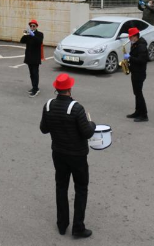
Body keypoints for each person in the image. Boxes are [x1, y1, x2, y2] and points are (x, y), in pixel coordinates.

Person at [40, 73, 96, 238]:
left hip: (58, 153)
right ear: (69, 89)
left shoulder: (48, 105)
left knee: (61, 186)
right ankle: (78, 227)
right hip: (77, 156)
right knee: (81, 188)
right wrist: (92, 124)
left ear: (56, 89)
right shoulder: (77, 108)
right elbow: (87, 133)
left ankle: (62, 224)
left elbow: (44, 129)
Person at [123, 27, 149, 122]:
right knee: (136, 93)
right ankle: (137, 112)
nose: (129, 39)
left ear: (135, 36)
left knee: (139, 94)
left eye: (130, 37)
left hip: (139, 73)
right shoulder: (135, 44)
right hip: (135, 72)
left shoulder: (141, 46)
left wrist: (130, 57)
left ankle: (144, 115)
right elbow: (134, 56)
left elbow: (142, 60)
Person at [20, 19, 44, 98]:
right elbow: (21, 41)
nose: (32, 27)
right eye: (31, 26)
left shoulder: (40, 34)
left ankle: (36, 89)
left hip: (35, 57)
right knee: (31, 74)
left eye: (33, 26)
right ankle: (34, 87)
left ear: (36, 26)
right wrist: (26, 34)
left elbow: (39, 42)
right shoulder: (28, 35)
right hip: (29, 57)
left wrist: (33, 35)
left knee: (35, 73)